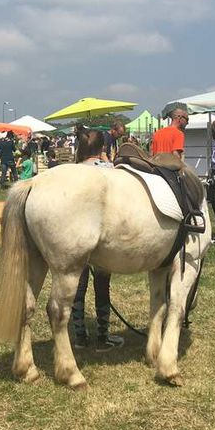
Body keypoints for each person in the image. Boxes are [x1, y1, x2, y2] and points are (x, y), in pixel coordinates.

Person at [70, 128, 123, 351]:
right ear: (102, 147)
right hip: (103, 236)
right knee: (102, 285)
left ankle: (80, 335)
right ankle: (103, 336)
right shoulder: (110, 170)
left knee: (78, 286)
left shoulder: (71, 171)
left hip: (76, 236)